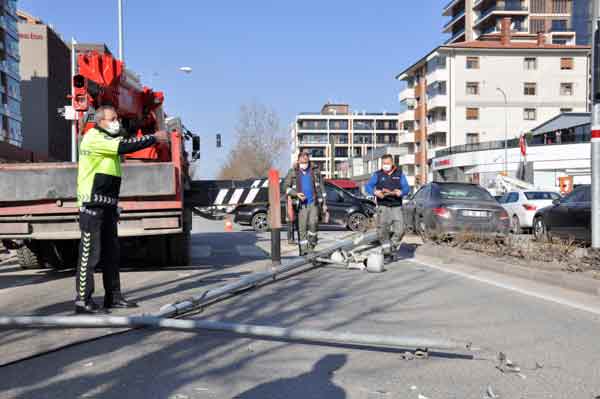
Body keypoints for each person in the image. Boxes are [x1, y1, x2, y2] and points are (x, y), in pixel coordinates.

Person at [75, 105, 169, 314]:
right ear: (100, 122)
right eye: (112, 119)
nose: (117, 121)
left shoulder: (106, 138)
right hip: (92, 205)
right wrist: (154, 137)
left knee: (111, 254)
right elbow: (125, 146)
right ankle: (83, 300)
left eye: (117, 118)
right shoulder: (94, 137)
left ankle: (113, 297)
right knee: (90, 256)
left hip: (107, 205)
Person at [365, 154, 410, 257]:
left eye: (388, 163)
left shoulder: (400, 174)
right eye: (384, 163)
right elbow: (368, 187)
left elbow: (407, 188)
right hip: (383, 206)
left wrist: (401, 192)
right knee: (383, 230)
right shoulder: (378, 174)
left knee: (400, 229)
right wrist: (375, 192)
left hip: (396, 206)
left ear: (392, 163)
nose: (386, 165)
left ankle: (392, 246)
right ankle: (386, 250)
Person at [283, 152, 326, 256]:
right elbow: (284, 187)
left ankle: (312, 244)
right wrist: (296, 194)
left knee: (313, 224)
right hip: (301, 205)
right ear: (298, 161)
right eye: (302, 162)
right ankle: (303, 251)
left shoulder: (315, 171)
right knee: (302, 229)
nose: (304, 164)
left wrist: (324, 203)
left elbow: (322, 187)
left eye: (306, 162)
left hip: (313, 203)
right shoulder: (292, 172)